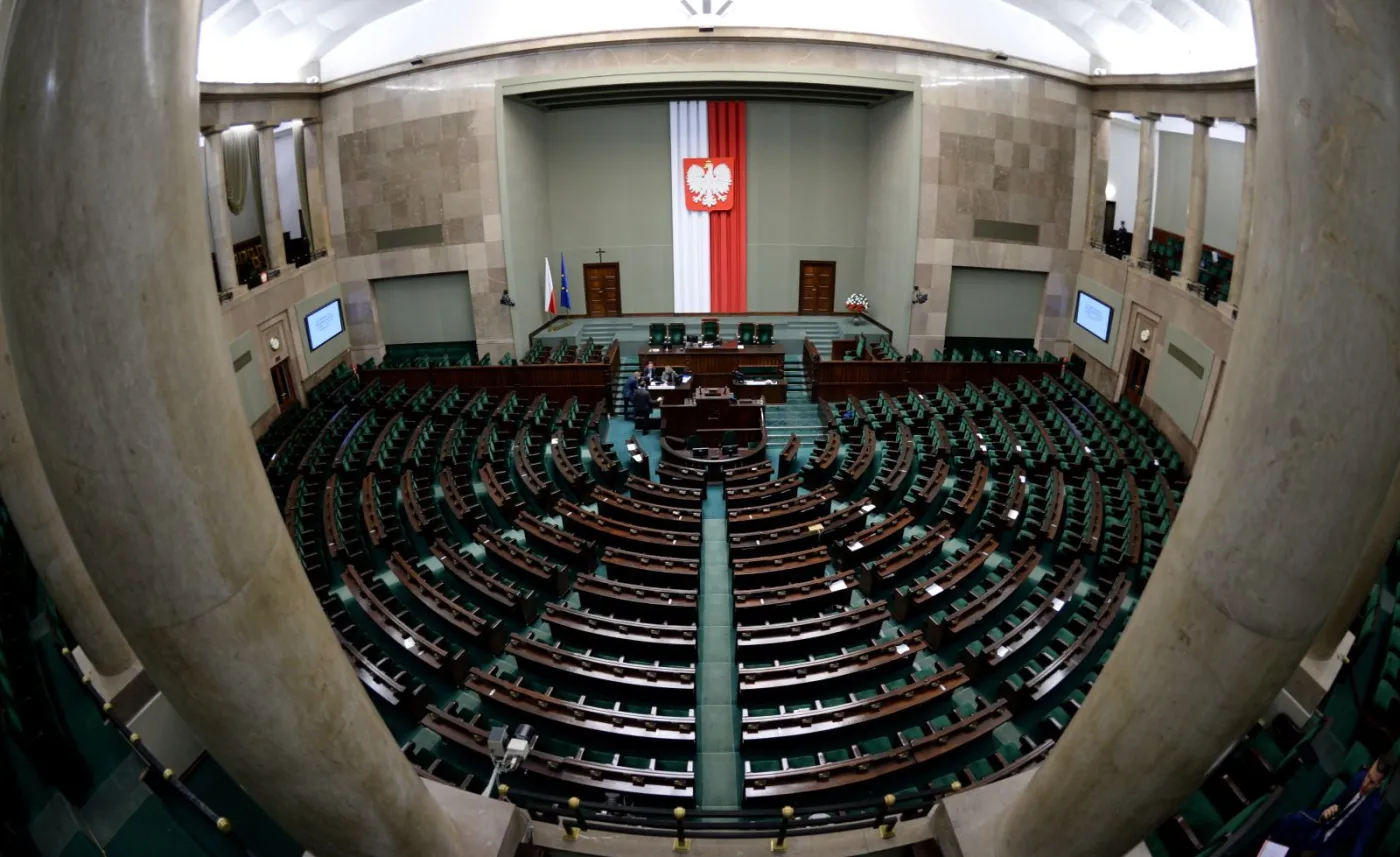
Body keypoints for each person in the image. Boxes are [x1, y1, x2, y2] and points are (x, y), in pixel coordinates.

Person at [1263, 751, 1394, 856]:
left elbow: (1359, 844)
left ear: (1379, 785)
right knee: (1287, 822)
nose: (1365, 783)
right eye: (1368, 776)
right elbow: (1338, 802)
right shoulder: (1359, 776)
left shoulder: (1373, 809)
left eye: (1372, 782)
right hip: (1324, 820)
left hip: (1332, 844)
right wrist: (1325, 816)